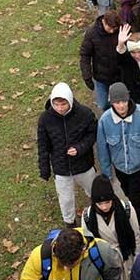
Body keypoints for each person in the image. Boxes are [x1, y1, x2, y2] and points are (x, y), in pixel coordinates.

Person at [81, 175, 140, 280]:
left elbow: (136, 235)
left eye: (107, 202)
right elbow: (87, 241)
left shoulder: (126, 209)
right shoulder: (88, 216)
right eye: (100, 203)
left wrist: (136, 257)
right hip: (104, 260)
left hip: (125, 255)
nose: (104, 206)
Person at [97, 82, 140, 226]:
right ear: (111, 102)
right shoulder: (105, 121)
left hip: (138, 168)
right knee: (127, 192)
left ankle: (139, 223)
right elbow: (103, 149)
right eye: (117, 102)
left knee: (136, 198)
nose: (121, 106)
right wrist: (107, 174)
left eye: (124, 101)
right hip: (120, 168)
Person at [38, 83, 99, 228]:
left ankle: (97, 214)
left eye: (63, 104)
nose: (60, 108)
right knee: (65, 200)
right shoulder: (45, 119)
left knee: (93, 190)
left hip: (84, 164)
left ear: (70, 101)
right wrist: (44, 169)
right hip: (61, 168)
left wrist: (80, 148)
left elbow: (92, 134)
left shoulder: (85, 114)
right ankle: (70, 223)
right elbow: (43, 145)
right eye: (56, 104)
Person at [80, 10, 124, 111]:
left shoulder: (122, 30)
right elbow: (85, 55)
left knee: (120, 103)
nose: (112, 31)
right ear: (104, 22)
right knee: (103, 104)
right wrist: (87, 76)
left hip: (119, 74)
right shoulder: (92, 33)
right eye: (110, 28)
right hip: (101, 76)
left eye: (115, 28)